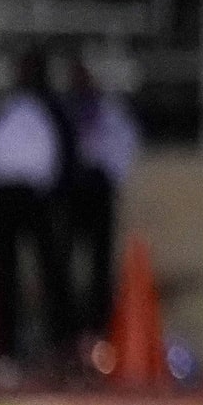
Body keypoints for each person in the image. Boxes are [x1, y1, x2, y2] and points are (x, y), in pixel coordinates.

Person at [0, 50, 73, 373]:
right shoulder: (3, 109)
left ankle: (60, 347)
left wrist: (55, 197)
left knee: (53, 272)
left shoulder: (53, 111)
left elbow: (66, 155)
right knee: (6, 275)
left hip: (38, 199)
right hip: (4, 198)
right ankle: (7, 351)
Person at [58, 55, 138, 354]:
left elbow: (124, 144)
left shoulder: (108, 112)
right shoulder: (64, 111)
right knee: (64, 264)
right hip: (70, 191)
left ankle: (98, 331)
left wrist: (111, 177)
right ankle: (67, 334)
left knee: (100, 264)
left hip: (99, 188)